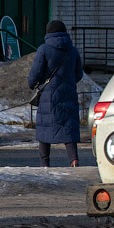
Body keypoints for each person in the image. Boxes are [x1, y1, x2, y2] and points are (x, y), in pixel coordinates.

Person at [29, 20, 85, 167]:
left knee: (45, 128)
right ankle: (74, 159)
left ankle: (45, 163)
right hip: (69, 94)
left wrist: (33, 84)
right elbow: (79, 74)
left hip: (48, 95)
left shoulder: (44, 49)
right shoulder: (72, 50)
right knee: (69, 126)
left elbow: (35, 72)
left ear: (48, 33)